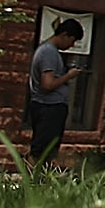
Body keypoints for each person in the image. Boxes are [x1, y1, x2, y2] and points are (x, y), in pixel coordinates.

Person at [25, 17, 83, 164]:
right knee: (40, 149)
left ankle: (42, 179)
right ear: (64, 35)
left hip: (50, 106)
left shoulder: (50, 51)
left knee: (49, 151)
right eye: (72, 40)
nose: (72, 45)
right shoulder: (48, 52)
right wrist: (68, 76)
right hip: (48, 106)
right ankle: (31, 180)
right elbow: (48, 84)